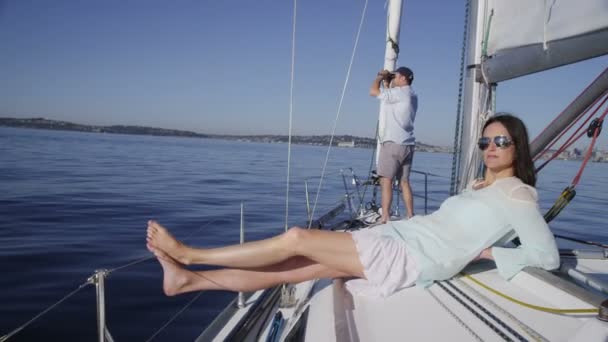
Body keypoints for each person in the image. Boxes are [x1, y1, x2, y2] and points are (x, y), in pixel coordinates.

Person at [146, 114, 559, 298]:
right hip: (399, 238)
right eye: (485, 141)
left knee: (295, 239)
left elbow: (546, 256)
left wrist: (486, 252)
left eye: (501, 141)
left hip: (411, 255)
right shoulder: (482, 188)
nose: (491, 147)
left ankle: (189, 254)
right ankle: (187, 281)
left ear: (517, 146)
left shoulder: (520, 194)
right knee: (290, 271)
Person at [369, 67, 418, 223]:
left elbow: (373, 91)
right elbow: (389, 98)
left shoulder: (398, 93)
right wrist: (389, 80)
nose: (394, 78)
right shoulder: (412, 94)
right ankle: (411, 216)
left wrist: (379, 77)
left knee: (386, 181)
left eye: (396, 76)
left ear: (403, 78)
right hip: (408, 144)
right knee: (404, 182)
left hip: (392, 143)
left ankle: (385, 217)